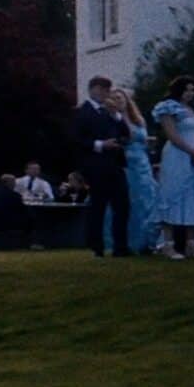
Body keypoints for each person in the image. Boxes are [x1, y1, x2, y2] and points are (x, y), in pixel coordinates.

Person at [150, 75, 194, 259]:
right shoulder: (169, 107)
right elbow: (171, 134)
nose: (190, 93)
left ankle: (190, 244)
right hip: (177, 155)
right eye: (186, 90)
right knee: (173, 194)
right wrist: (190, 150)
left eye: (192, 90)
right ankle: (168, 244)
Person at [75, 74, 134, 257]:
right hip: (96, 166)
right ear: (93, 89)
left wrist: (116, 115)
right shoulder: (82, 112)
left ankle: (120, 247)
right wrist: (100, 144)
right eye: (104, 90)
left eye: (107, 90)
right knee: (98, 207)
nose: (106, 94)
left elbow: (125, 133)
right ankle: (97, 247)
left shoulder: (109, 112)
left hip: (115, 165)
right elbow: (77, 140)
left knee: (122, 206)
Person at [106, 88, 161, 256]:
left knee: (148, 200)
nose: (118, 99)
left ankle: (148, 242)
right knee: (129, 202)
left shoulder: (138, 119)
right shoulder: (112, 120)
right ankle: (129, 242)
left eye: (121, 96)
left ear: (127, 99)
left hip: (142, 164)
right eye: (114, 98)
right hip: (124, 163)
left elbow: (144, 143)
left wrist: (150, 147)